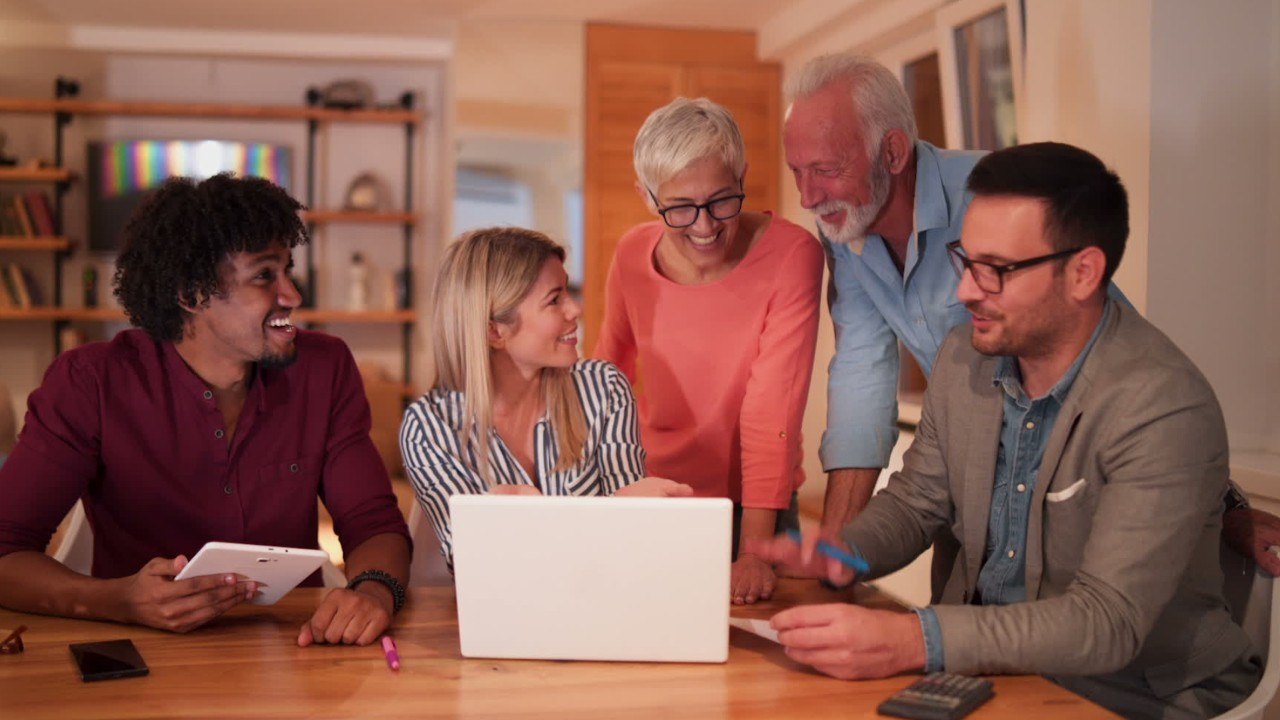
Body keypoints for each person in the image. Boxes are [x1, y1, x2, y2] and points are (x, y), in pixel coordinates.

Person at [752, 142, 1261, 718]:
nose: (967, 290)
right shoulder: (965, 359)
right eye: (966, 261)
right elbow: (920, 502)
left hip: (1135, 697)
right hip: (992, 681)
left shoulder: (1162, 406)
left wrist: (912, 640)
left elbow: (1107, 622)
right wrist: (847, 552)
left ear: (1083, 272)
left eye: (997, 269)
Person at [784, 51, 1280, 572]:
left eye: (826, 170)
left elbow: (1113, 345)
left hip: (1068, 491)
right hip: (969, 486)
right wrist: (836, 556)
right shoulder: (846, 222)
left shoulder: (996, 201)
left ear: (892, 152)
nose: (807, 195)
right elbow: (862, 372)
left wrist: (1218, 505)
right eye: (797, 171)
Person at [0, 174, 411, 646]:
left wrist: (373, 592)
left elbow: (375, 525)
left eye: (287, 270)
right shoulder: (90, 383)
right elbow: (6, 549)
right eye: (264, 275)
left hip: (300, 644)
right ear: (191, 294)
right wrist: (116, 600)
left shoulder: (325, 368)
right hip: (146, 656)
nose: (293, 295)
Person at [593, 98, 824, 605]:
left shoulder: (792, 256)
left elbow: (772, 408)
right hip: (655, 495)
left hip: (756, 505)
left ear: (743, 175)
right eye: (679, 208)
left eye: (722, 200)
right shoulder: (632, 253)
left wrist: (756, 551)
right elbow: (604, 377)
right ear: (648, 197)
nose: (704, 226)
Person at [401, 227, 690, 571]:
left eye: (567, 291)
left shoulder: (603, 389)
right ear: (495, 331)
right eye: (555, 300)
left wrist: (538, 530)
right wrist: (604, 515)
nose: (575, 309)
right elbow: (478, 566)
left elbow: (629, 545)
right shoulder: (429, 428)